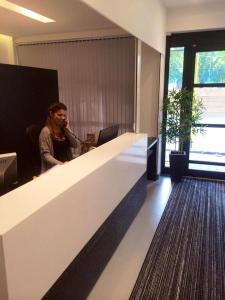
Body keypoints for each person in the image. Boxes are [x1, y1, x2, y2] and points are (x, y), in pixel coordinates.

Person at [39, 102, 79, 173]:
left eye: (64, 115)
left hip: (67, 166)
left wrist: (68, 129)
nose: (63, 118)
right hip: (54, 169)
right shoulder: (45, 132)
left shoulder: (64, 129)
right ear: (51, 114)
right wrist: (61, 164)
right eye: (59, 115)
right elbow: (45, 155)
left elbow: (75, 145)